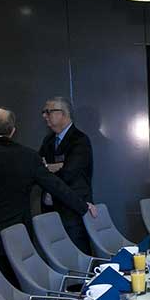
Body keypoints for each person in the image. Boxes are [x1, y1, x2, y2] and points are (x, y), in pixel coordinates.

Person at [0, 107, 97, 282]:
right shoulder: (29, 157)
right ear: (12, 131)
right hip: (16, 237)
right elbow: (56, 186)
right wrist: (82, 205)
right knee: (16, 289)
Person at [39, 96, 94, 254]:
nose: (44, 116)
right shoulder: (48, 140)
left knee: (79, 260)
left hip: (71, 213)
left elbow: (68, 173)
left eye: (48, 112)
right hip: (49, 212)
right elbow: (38, 169)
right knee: (56, 259)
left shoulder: (79, 140)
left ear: (62, 113)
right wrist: (54, 167)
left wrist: (49, 168)